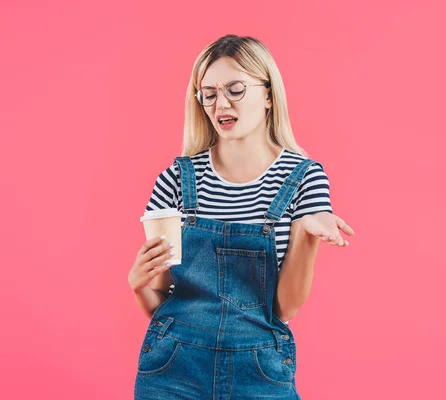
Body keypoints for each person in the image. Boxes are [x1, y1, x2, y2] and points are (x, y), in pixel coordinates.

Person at [128, 34, 354, 399]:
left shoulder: (304, 177)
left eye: (235, 89)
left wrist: (305, 234)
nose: (221, 104)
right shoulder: (175, 179)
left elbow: (285, 307)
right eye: (209, 93)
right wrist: (139, 284)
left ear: (267, 94)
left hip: (260, 370)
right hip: (173, 370)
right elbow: (163, 304)